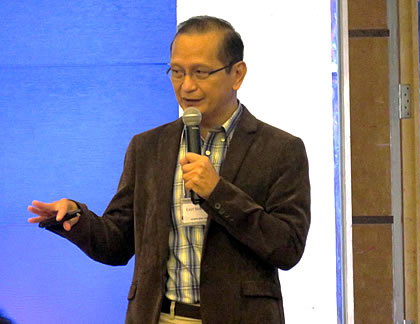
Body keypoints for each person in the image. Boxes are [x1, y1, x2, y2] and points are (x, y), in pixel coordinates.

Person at [28, 16, 310, 324]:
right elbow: (117, 244)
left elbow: (287, 248)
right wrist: (76, 218)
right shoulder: (148, 147)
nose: (186, 85)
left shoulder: (280, 149)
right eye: (177, 72)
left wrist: (218, 193)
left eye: (201, 72)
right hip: (158, 316)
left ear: (237, 74)